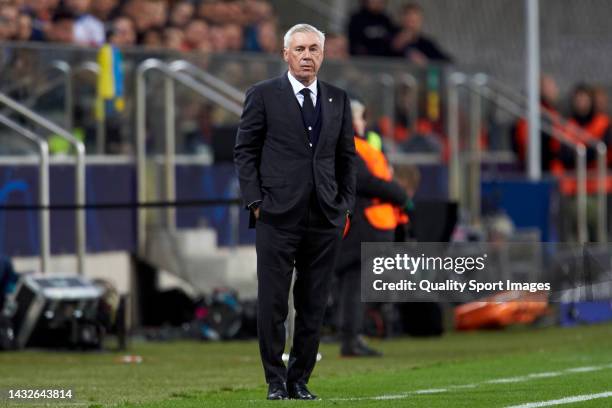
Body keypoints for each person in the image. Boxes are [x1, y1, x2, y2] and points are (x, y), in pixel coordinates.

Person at [234, 23, 356, 400]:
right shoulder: (263, 95)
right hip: (276, 215)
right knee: (272, 302)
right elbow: (245, 151)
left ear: (323, 53)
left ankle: (299, 379)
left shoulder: (338, 98)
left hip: (324, 217)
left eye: (314, 49)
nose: (307, 55)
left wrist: (345, 205)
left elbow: (346, 157)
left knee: (313, 303)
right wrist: (255, 203)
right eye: (300, 49)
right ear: (285, 54)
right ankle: (275, 380)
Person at [335, 99, 412, 357]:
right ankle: (351, 338)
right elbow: (365, 181)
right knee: (353, 280)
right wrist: (399, 194)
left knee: (354, 281)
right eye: (358, 117)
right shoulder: (348, 146)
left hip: (367, 220)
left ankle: (353, 337)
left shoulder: (360, 146)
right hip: (361, 221)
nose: (362, 123)